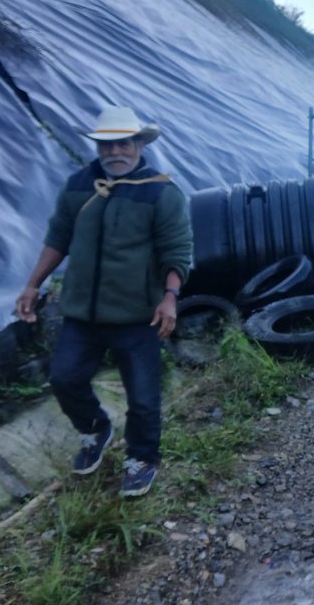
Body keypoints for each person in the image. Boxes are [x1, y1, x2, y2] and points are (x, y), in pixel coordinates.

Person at [17, 105, 193, 497]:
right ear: (99, 147)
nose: (116, 152)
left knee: (144, 400)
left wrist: (170, 297)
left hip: (137, 317)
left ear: (138, 144)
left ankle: (142, 458)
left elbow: (177, 250)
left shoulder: (161, 191)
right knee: (64, 378)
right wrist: (32, 285)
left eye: (124, 143)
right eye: (107, 145)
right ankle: (96, 430)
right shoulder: (78, 186)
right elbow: (57, 238)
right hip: (82, 314)